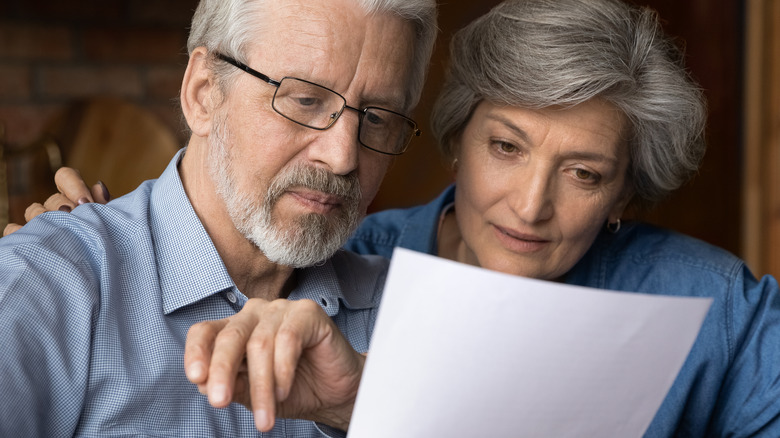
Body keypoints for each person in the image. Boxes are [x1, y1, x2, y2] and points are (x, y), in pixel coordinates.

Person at [11, 0, 780, 436]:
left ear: (623, 195)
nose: (343, 156)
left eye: (584, 173)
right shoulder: (356, 253)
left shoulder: (718, 305)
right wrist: (74, 256)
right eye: (302, 99)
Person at [0, 0, 437, 436]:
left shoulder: (412, 314)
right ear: (204, 93)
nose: (342, 157)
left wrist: (365, 404)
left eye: (377, 118)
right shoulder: (46, 285)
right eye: (305, 99)